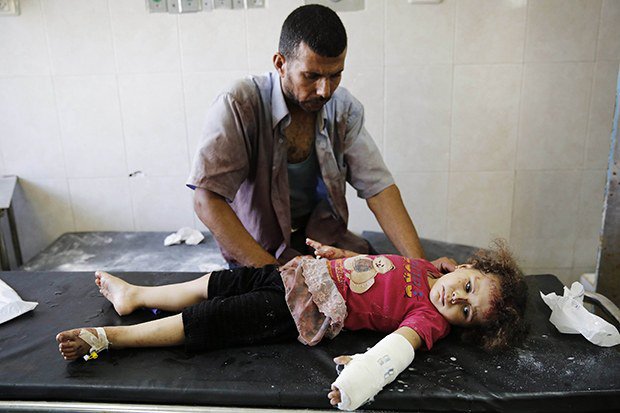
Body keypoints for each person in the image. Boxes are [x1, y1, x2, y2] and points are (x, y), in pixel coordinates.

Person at [56, 239, 528, 410]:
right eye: (468, 286)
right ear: (466, 267)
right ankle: (136, 296)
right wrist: (341, 255)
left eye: (466, 311)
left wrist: (364, 369)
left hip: (302, 310)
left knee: (213, 319)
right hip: (301, 273)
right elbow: (377, 267)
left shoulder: (429, 320)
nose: (456, 300)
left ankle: (110, 338)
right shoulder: (426, 269)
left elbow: (399, 348)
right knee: (219, 282)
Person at [187, 4, 425, 268]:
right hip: (260, 253)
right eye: (311, 76)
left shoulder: (343, 109)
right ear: (280, 64)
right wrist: (274, 275)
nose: (325, 91)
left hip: (324, 246)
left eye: (335, 75)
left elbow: (379, 189)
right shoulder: (239, 104)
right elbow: (206, 200)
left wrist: (422, 267)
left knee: (389, 281)